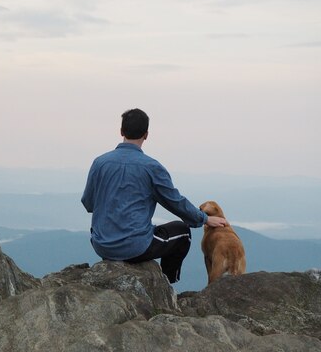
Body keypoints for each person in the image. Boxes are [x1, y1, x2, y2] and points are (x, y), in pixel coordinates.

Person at [81, 108, 227, 283]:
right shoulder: (151, 167)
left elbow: (88, 203)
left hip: (101, 245)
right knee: (183, 232)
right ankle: (165, 285)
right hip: (136, 247)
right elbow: (175, 202)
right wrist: (204, 219)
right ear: (146, 134)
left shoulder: (100, 163)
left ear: (121, 132)